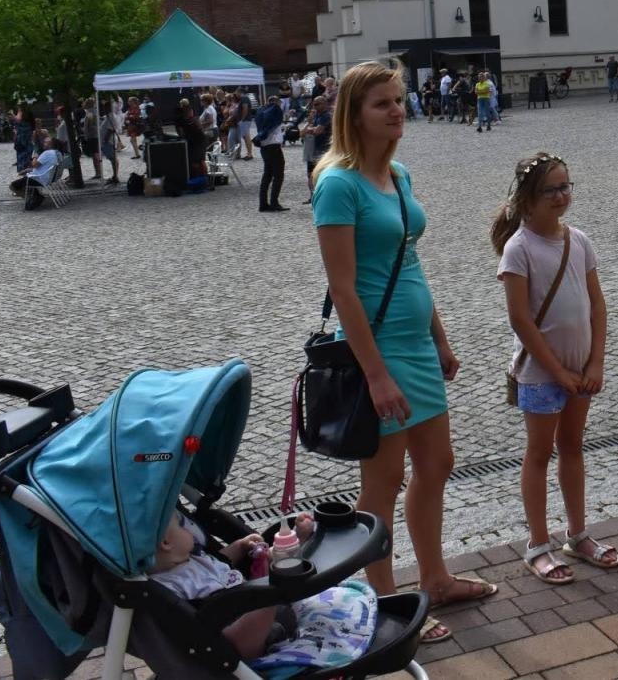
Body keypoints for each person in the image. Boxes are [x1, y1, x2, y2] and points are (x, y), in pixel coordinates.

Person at [311, 61, 491, 644]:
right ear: (354, 115)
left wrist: (439, 337)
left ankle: (434, 578)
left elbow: (407, 262)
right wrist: (377, 375)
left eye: (398, 100)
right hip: (375, 349)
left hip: (414, 342)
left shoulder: (401, 175)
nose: (397, 110)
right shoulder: (338, 183)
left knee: (437, 465)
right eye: (382, 103)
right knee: (384, 479)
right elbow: (343, 289)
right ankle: (383, 599)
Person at [492, 154, 618, 584]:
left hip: (580, 368)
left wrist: (595, 359)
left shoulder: (578, 241)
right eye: (553, 189)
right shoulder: (519, 249)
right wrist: (558, 371)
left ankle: (578, 533)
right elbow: (520, 321)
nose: (563, 195)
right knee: (539, 453)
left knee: (573, 448)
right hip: (541, 374)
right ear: (528, 199)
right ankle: (538, 543)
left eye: (567, 186)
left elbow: (597, 304)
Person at [151, 510, 306, 658]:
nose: (191, 531)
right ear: (166, 542)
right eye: (181, 526)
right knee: (270, 592)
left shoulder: (193, 558)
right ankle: (273, 592)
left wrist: (239, 546)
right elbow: (184, 622)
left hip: (250, 598)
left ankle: (291, 545)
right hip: (233, 628)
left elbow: (220, 562)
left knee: (267, 559)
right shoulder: (164, 586)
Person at [11, 131, 63, 210]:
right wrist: (28, 170)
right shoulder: (57, 153)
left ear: (51, 144)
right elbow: (43, 167)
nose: (43, 143)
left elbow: (34, 164)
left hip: (39, 179)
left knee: (13, 186)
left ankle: (31, 197)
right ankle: (34, 196)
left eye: (45, 142)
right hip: (48, 178)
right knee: (23, 181)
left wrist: (35, 156)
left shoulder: (47, 153)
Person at [302, 96, 332, 201]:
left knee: (321, 173)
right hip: (313, 149)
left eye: (317, 104)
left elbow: (317, 131)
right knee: (310, 174)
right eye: (314, 104)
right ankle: (312, 196)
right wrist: (309, 122)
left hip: (323, 149)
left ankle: (322, 196)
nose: (315, 106)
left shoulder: (326, 116)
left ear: (324, 104)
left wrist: (310, 130)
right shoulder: (315, 116)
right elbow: (302, 132)